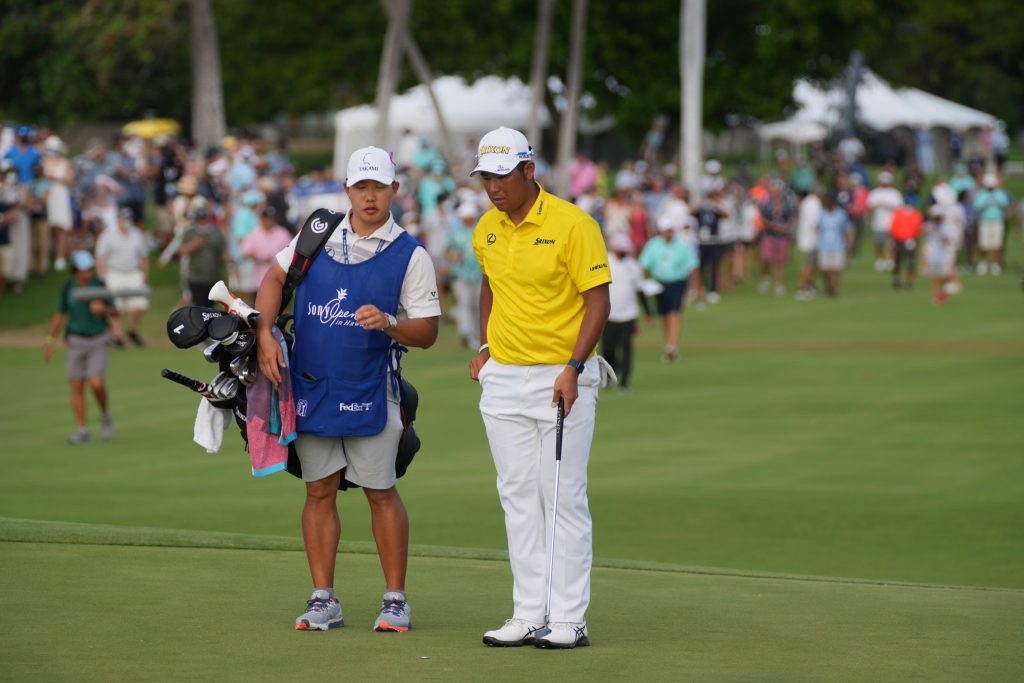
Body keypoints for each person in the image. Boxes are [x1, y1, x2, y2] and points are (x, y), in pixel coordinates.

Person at [255, 146, 440, 634]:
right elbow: (274, 278)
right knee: (319, 490)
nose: (370, 196)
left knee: (381, 492)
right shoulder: (316, 234)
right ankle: (323, 600)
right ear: (347, 191)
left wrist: (391, 322)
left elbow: (428, 331)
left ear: (394, 190)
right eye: (361, 186)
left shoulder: (411, 254)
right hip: (311, 386)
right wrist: (264, 335)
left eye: (379, 186)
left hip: (373, 388)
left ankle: (395, 600)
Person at [467, 127, 610, 649]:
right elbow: (490, 285)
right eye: (486, 177)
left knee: (562, 497)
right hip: (503, 375)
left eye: (502, 176)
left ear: (530, 171)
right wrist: (485, 348)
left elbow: (598, 301)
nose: (494, 187)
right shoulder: (486, 227)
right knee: (518, 496)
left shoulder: (573, 224)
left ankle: (569, 617)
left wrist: (575, 365)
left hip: (561, 375)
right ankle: (530, 611)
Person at [43, 250, 121, 444]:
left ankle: (104, 415)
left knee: (95, 382)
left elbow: (115, 312)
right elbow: (60, 314)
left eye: (90, 268)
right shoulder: (68, 287)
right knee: (76, 384)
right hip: (76, 340)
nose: (88, 272)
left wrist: (103, 309)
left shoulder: (100, 286)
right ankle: (82, 429)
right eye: (83, 269)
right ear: (75, 270)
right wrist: (50, 340)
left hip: (98, 339)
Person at [639, 213, 700, 361]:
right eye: (666, 230)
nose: (669, 233)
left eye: (670, 230)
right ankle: (669, 343)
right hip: (659, 283)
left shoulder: (681, 245)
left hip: (677, 282)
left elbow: (693, 265)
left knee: (674, 312)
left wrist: (696, 287)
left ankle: (672, 345)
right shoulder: (653, 245)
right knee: (664, 315)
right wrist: (643, 283)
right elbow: (643, 264)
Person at [95, 208, 150, 346]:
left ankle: (132, 330)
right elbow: (100, 256)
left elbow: (144, 256)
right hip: (114, 273)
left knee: (139, 303)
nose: (125, 222)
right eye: (123, 219)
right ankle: (116, 335)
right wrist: (102, 276)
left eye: (128, 219)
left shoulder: (136, 234)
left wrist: (144, 274)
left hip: (133, 272)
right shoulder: (108, 235)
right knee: (116, 306)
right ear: (118, 220)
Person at [601, 233, 645, 390]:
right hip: (608, 314)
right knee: (607, 348)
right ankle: (609, 378)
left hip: (628, 314)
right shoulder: (604, 261)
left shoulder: (633, 266)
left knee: (626, 348)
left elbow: (640, 290)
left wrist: (648, 313)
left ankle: (625, 382)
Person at [177, 204, 230, 308]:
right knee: (200, 307)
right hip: (196, 278)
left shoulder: (216, 232)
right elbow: (181, 251)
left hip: (214, 277)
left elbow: (223, 252)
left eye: (204, 218)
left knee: (211, 308)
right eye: (199, 219)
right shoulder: (190, 232)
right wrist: (193, 245)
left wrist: (230, 265)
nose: (202, 221)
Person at [972, 173, 1009, 276]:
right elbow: (977, 206)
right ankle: (983, 264)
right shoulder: (982, 194)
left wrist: (995, 199)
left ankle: (995, 265)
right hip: (985, 221)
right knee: (983, 244)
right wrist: (986, 201)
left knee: (996, 244)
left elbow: (1004, 204)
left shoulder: (999, 193)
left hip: (997, 221)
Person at [816, 193, 851, 298]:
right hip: (824, 245)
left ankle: (835, 288)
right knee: (825, 268)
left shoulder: (841, 214)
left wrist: (848, 243)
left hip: (837, 245)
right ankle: (828, 283)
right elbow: (818, 228)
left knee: (836, 269)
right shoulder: (822, 214)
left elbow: (845, 230)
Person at [867, 171, 903, 272]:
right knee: (879, 242)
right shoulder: (875, 193)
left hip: (893, 223)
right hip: (878, 222)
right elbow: (870, 206)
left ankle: (890, 260)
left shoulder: (895, 193)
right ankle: (879, 259)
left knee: (892, 243)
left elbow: (899, 208)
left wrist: (887, 205)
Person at [889, 199, 923, 290]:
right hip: (898, 240)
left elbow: (918, 229)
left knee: (910, 262)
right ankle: (896, 279)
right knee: (897, 262)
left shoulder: (916, 214)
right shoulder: (898, 213)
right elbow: (893, 227)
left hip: (911, 241)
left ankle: (908, 282)